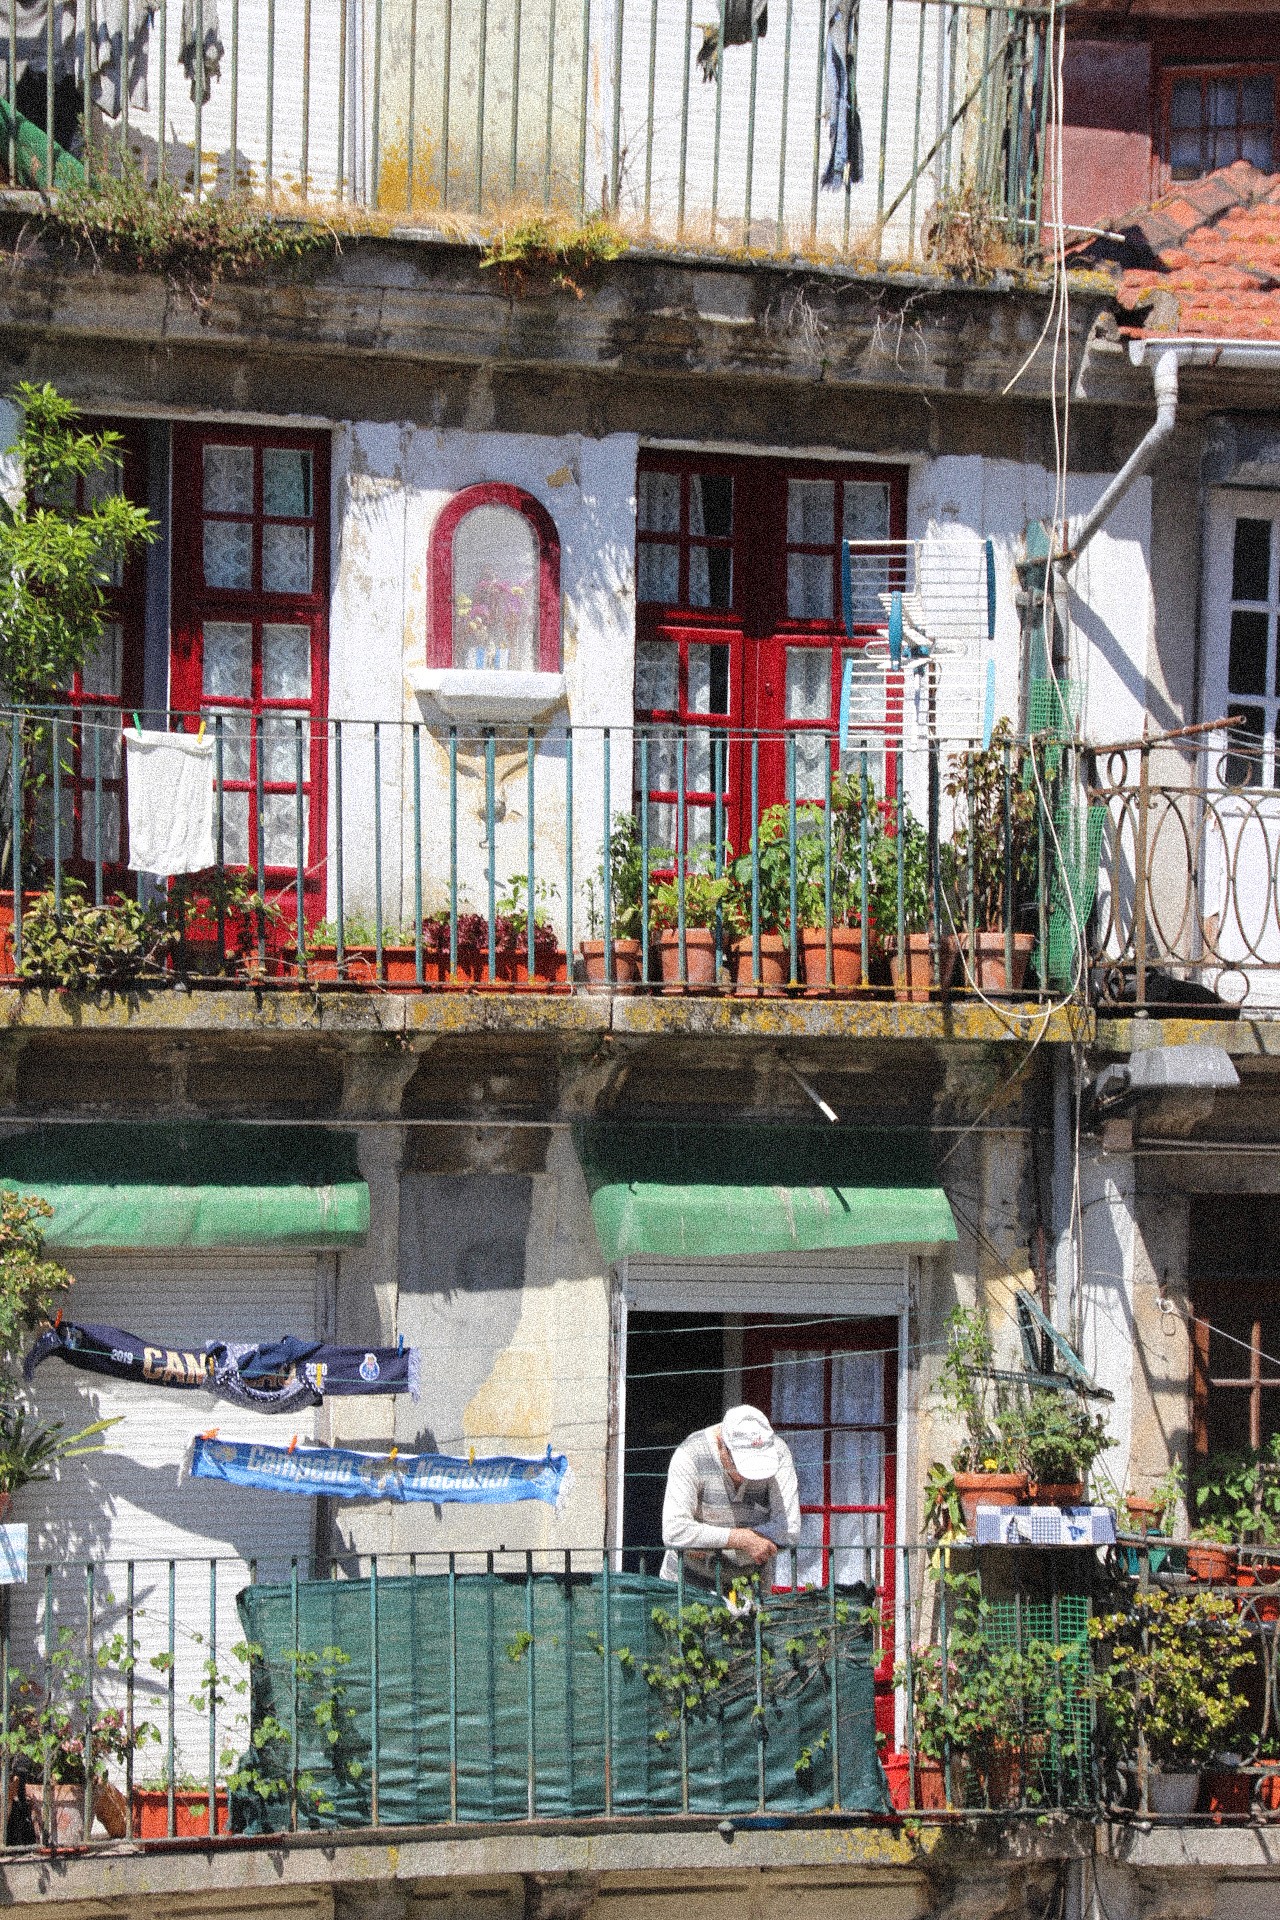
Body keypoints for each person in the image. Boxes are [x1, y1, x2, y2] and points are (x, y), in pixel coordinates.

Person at [660, 1403, 801, 1584]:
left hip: (752, 1582)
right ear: (721, 1445)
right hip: (688, 1580)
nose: (747, 1475)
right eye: (740, 1465)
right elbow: (675, 1532)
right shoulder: (690, 1454)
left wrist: (705, 1542)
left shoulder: (779, 1453)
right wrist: (742, 1539)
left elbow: (789, 1530)